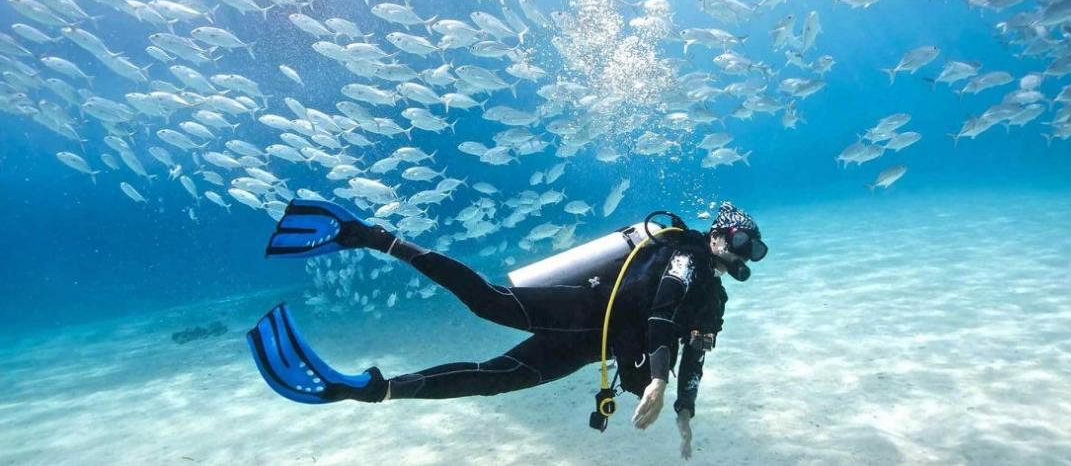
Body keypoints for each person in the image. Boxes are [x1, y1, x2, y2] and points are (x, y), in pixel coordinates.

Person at [248, 199, 767, 459]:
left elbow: (696, 353)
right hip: (586, 309)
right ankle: (371, 235)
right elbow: (661, 310)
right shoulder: (687, 253)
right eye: (743, 242)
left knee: (495, 376)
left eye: (754, 251)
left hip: (594, 344)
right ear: (719, 234)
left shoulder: (714, 300)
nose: (746, 256)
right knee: (487, 302)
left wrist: (684, 410)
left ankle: (373, 390)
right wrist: (657, 377)